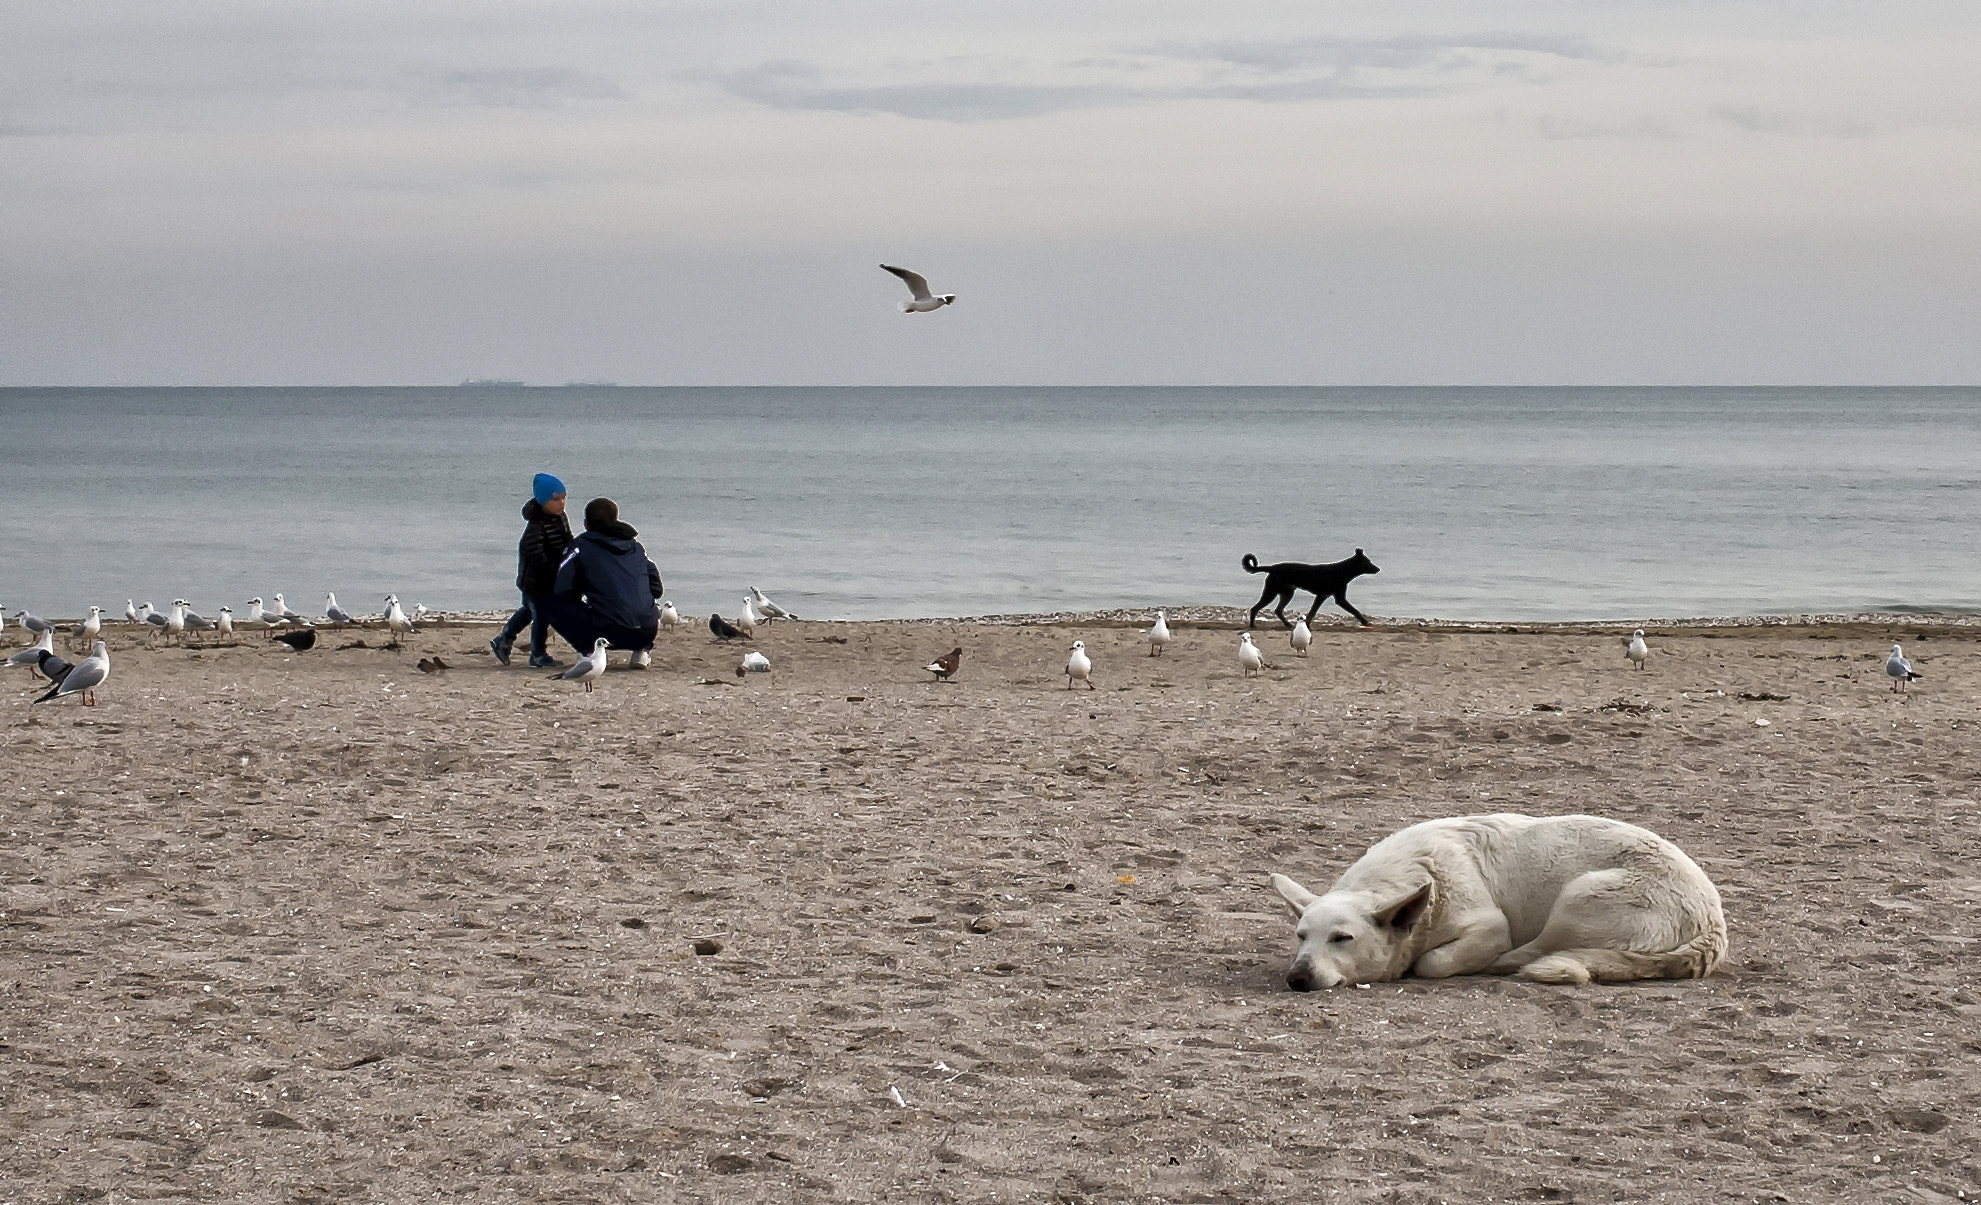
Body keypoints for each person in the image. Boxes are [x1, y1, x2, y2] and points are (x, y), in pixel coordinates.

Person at [539, 497, 663, 668]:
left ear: (586, 524)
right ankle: (642, 651)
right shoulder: (635, 548)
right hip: (647, 630)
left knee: (549, 604)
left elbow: (563, 588)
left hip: (608, 631)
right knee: (642, 604)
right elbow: (656, 589)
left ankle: (588, 652)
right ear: (615, 520)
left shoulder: (580, 546)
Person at [491, 473, 573, 669]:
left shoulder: (560, 517)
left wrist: (573, 553)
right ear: (543, 501)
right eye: (555, 499)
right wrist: (555, 569)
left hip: (550, 578)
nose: (561, 503)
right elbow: (535, 556)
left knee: (528, 611)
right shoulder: (536, 526)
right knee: (540, 615)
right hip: (536, 581)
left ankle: (504, 639)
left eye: (563, 497)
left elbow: (567, 539)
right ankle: (537, 653)